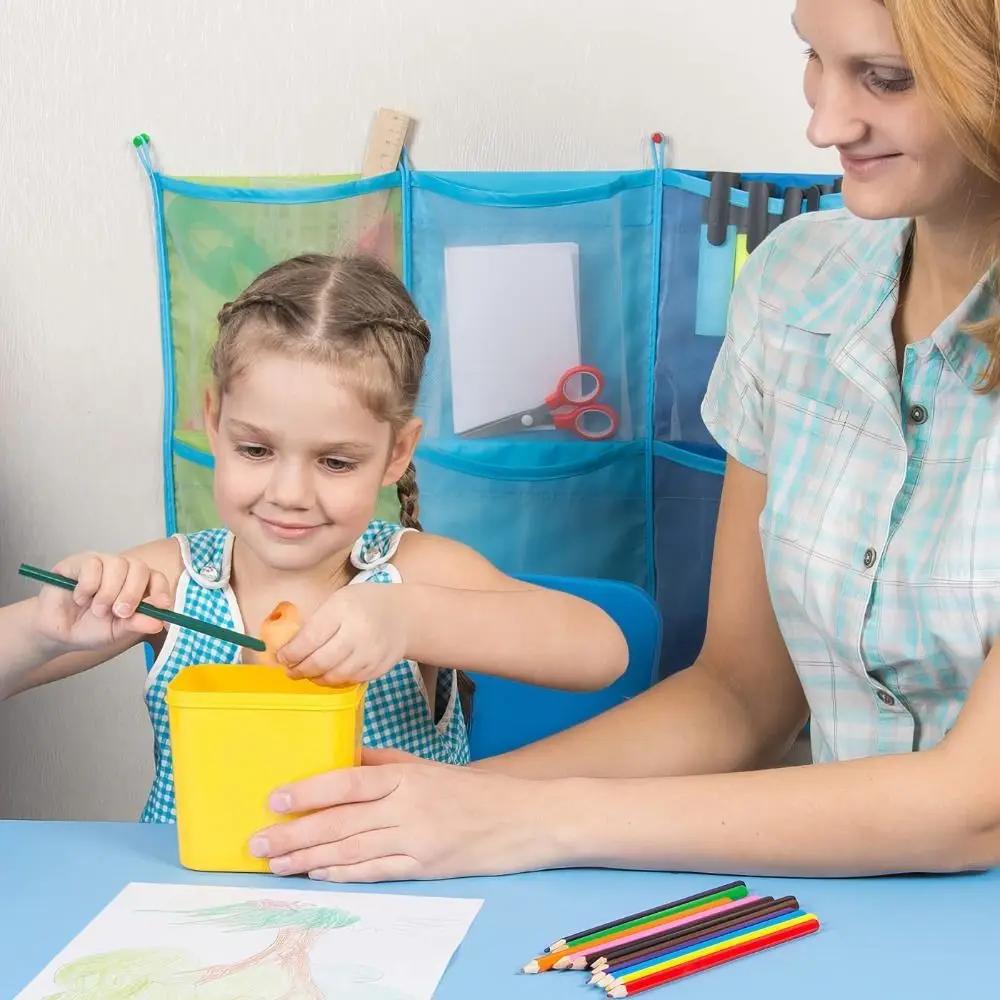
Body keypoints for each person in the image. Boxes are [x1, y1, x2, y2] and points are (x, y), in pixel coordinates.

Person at [246, 0, 1000, 883]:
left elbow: (972, 808)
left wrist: (532, 819)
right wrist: (452, 802)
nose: (824, 122)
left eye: (886, 79)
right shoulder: (796, 287)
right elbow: (739, 698)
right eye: (814, 60)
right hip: (839, 909)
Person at [0, 254, 628, 825]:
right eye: (256, 449)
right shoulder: (172, 580)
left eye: (335, 462)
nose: (290, 492)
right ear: (214, 422)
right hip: (188, 912)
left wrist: (413, 620)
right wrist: (44, 630)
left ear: (395, 454)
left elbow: (601, 651)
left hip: (393, 909)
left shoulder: (413, 574)